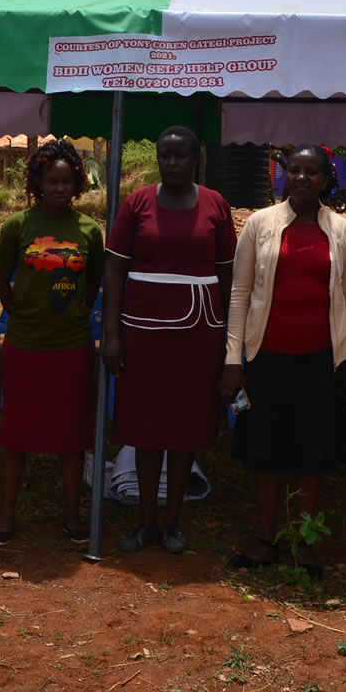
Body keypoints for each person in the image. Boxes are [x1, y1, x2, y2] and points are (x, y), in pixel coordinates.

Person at [221, 144, 346, 578]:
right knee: (264, 451)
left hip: (323, 363)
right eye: (294, 170)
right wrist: (233, 359)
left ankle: (305, 541)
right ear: (283, 175)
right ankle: (266, 539)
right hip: (265, 359)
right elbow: (239, 294)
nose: (302, 177)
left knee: (313, 453)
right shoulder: (260, 224)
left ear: (327, 179)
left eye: (312, 171)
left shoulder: (342, 231)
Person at [101, 125, 236, 555]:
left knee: (185, 427)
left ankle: (174, 522)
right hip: (141, 333)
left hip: (200, 333)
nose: (172, 162)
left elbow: (230, 275)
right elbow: (114, 270)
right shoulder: (137, 202)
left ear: (196, 158)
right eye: (165, 155)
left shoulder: (216, 204)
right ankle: (146, 523)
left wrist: (233, 343)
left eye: (181, 156)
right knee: (145, 426)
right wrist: (111, 334)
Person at [0, 140, 105, 546]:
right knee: (16, 433)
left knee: (71, 435)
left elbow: (93, 285)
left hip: (71, 347)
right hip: (25, 345)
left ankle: (72, 515)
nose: (59, 188)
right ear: (36, 182)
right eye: (50, 181)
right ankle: (6, 514)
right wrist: (17, 310)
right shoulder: (18, 226)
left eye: (66, 181)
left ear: (78, 183)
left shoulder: (90, 230)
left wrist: (76, 314)